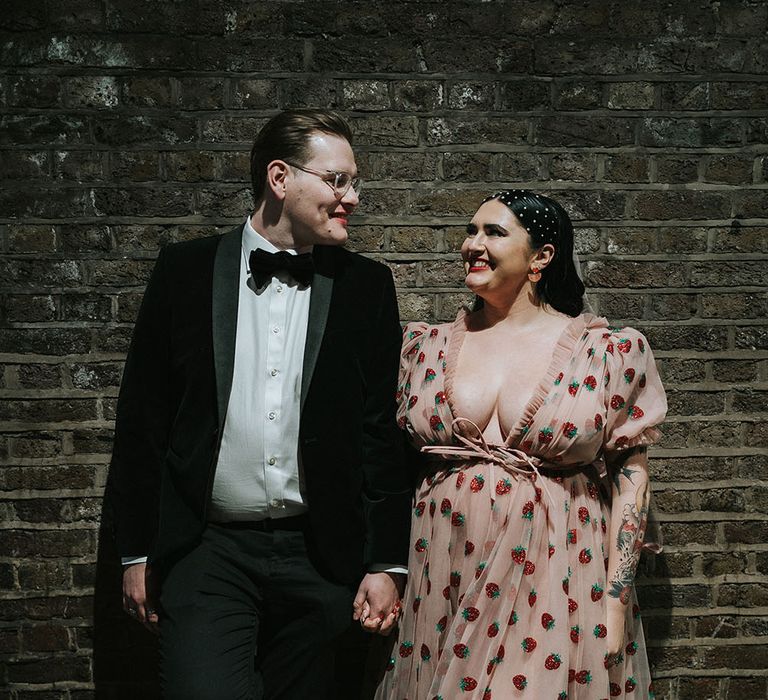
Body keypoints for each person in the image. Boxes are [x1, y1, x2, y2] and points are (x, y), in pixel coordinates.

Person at [106, 109, 412, 699]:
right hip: (206, 551)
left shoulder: (367, 287)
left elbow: (380, 432)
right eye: (337, 180)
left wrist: (386, 563)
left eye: (353, 181)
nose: (353, 196)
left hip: (322, 554)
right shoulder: (184, 272)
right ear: (279, 178)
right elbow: (143, 420)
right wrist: (136, 550)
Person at [375, 190, 667, 699]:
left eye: (493, 232)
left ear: (542, 256)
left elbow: (632, 477)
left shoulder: (605, 353)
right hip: (444, 572)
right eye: (471, 231)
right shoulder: (424, 346)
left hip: (556, 572)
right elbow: (388, 466)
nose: (473, 244)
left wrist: (615, 604)